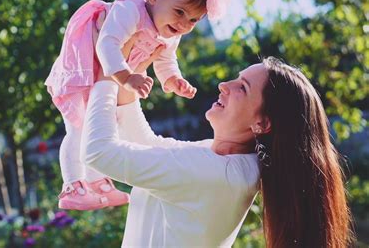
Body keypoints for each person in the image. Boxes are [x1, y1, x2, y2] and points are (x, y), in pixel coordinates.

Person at [81, 57, 353, 247]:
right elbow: (147, 145)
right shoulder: (231, 163)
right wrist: (128, 74)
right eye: (236, 79)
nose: (225, 85)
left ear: (262, 123)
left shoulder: (214, 171)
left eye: (242, 88)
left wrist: (107, 75)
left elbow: (98, 151)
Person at [44, 0, 232, 210]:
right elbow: (107, 42)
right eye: (179, 12)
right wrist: (126, 77)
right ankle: (72, 186)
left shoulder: (171, 31)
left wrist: (173, 79)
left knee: (98, 126)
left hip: (107, 78)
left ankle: (96, 183)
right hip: (83, 70)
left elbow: (165, 58)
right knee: (78, 128)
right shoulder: (131, 10)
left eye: (193, 20)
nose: (184, 23)